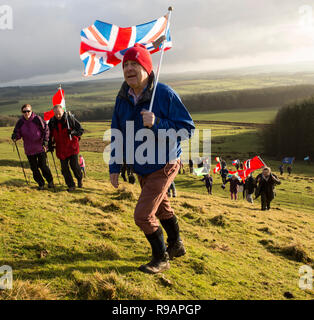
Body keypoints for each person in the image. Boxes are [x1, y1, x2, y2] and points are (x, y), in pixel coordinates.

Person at [109, 43, 195, 274]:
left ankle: (161, 258)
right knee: (161, 208)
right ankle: (176, 245)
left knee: (143, 215)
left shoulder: (164, 94)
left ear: (147, 68)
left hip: (164, 163)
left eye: (135, 64)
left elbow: (187, 129)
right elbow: (117, 132)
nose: (129, 68)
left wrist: (157, 123)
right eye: (125, 64)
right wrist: (115, 165)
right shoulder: (122, 98)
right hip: (141, 165)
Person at [11, 104, 54, 190]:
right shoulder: (20, 122)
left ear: (31, 111)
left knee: (43, 166)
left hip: (40, 147)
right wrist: (15, 137)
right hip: (29, 149)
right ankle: (41, 184)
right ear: (22, 112)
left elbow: (46, 130)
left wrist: (45, 141)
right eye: (24, 111)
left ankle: (50, 181)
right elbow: (17, 133)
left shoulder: (37, 119)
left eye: (28, 111)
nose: (26, 113)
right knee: (34, 168)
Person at [48, 105, 84, 192]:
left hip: (72, 147)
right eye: (56, 114)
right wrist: (50, 144)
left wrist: (72, 132)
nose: (58, 116)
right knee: (64, 169)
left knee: (74, 166)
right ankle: (71, 185)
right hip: (61, 149)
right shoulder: (52, 122)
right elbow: (49, 135)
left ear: (63, 111)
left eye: (59, 114)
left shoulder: (70, 119)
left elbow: (80, 130)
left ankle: (79, 179)